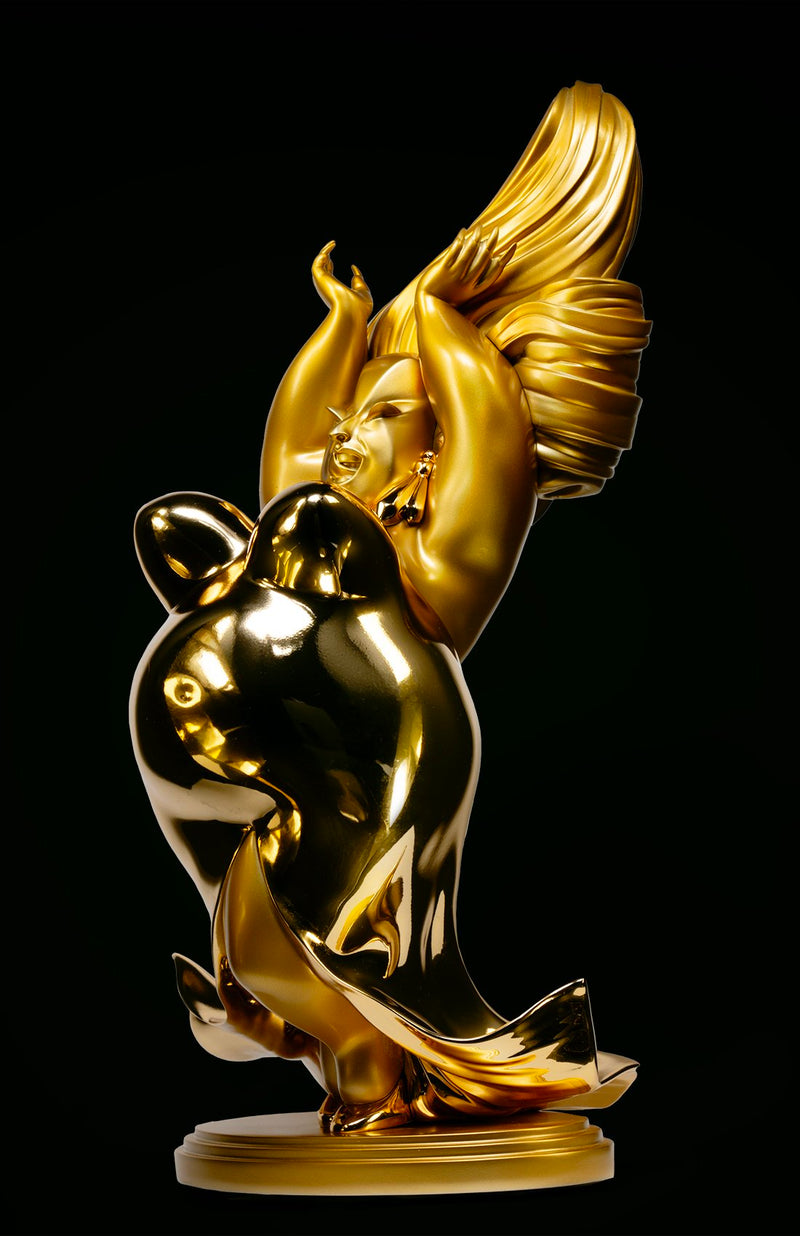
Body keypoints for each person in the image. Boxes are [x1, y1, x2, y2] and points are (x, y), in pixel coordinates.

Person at [259, 81, 651, 660]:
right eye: (350, 416)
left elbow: (485, 413)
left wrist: (434, 305)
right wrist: (347, 318)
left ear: (437, 448)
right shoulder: (302, 536)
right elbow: (297, 441)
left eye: (383, 415)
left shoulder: (444, 558)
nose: (343, 432)